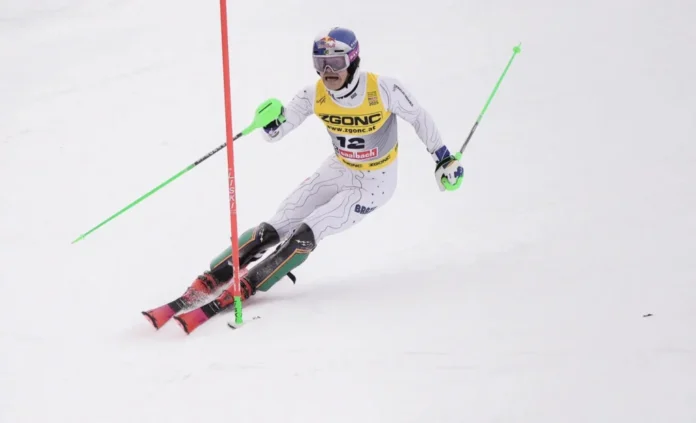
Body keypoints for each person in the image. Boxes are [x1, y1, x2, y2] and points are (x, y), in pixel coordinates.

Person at [144, 27, 464, 328]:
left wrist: (443, 157)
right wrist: (271, 123)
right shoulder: (313, 95)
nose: (328, 71)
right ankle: (211, 278)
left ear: (353, 61)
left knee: (310, 230)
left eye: (336, 63)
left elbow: (419, 117)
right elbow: (277, 132)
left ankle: (250, 283)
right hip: (339, 168)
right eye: (320, 63)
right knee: (274, 227)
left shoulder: (383, 88)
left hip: (375, 182)